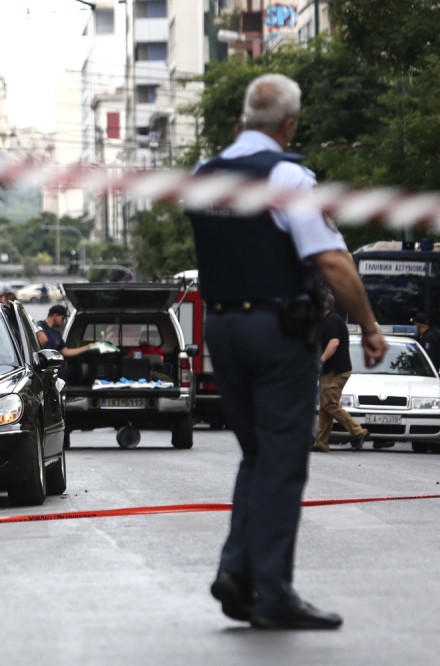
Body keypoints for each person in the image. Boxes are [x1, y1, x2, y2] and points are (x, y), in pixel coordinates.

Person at [185, 74, 386, 630]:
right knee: (284, 461)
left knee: (258, 454)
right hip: (276, 332)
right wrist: (367, 324)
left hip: (221, 329)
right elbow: (332, 259)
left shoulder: (204, 174)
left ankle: (237, 572)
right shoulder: (287, 175)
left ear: (242, 122)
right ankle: (272, 594)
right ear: (289, 124)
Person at [313, 293, 368, 452]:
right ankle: (321, 443)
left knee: (330, 404)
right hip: (330, 370)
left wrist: (321, 360)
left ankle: (359, 432)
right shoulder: (328, 320)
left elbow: (334, 342)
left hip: (336, 370)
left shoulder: (332, 321)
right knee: (325, 407)